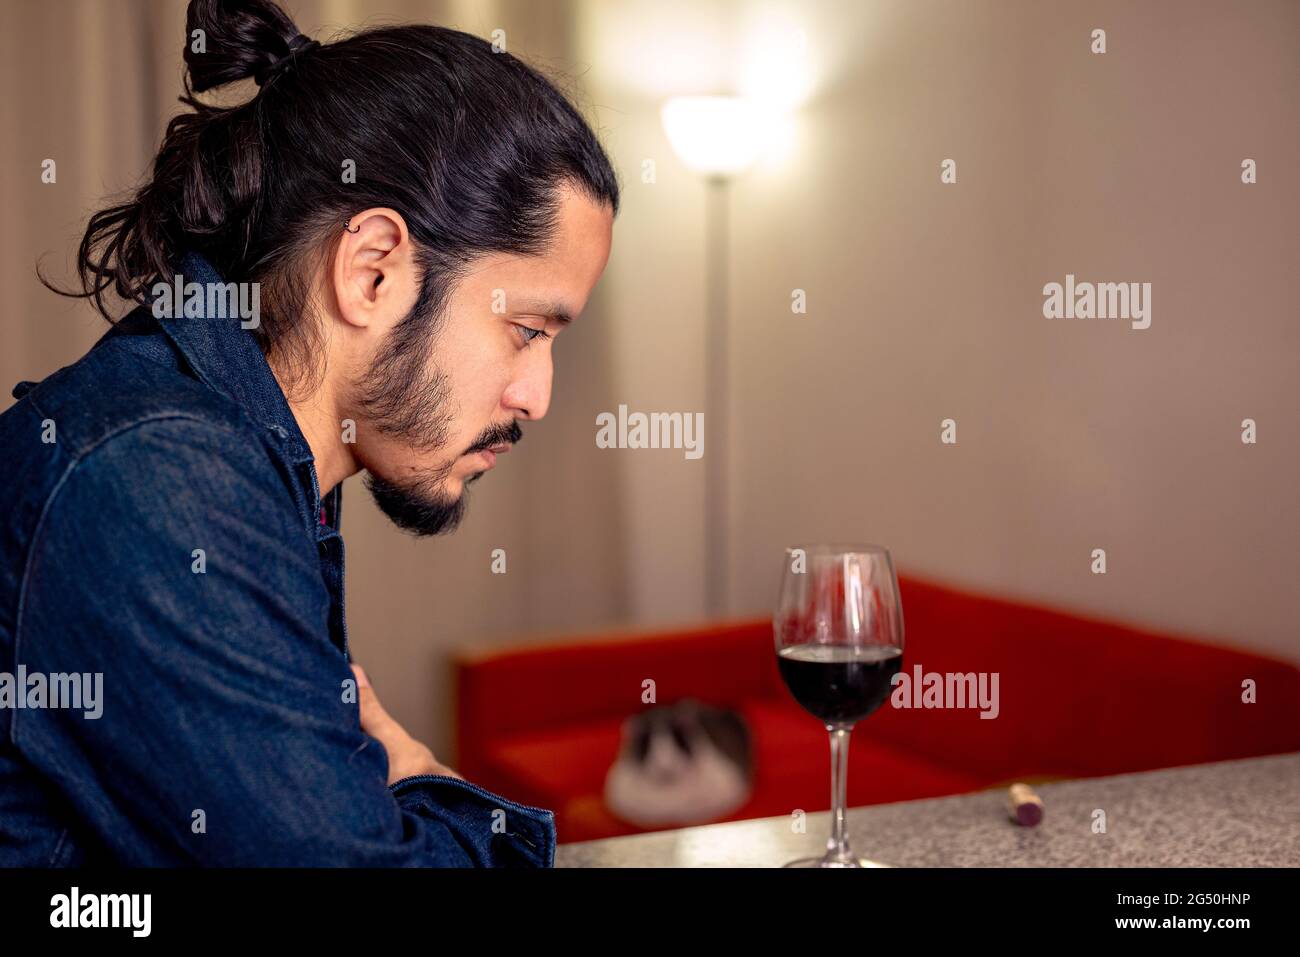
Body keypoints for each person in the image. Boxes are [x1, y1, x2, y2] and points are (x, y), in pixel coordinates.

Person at [0, 0, 618, 866]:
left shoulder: (263, 462)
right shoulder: (160, 479)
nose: (538, 394)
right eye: (527, 330)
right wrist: (410, 771)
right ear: (372, 271)